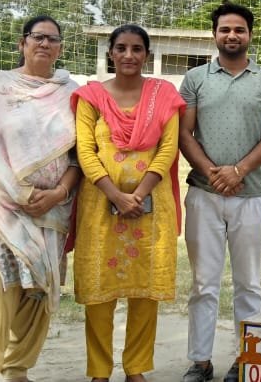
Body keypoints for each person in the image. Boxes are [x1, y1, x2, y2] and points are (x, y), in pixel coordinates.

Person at [0, 15, 82, 382]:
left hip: (52, 210)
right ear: (22, 43)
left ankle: (17, 370)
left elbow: (80, 157)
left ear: (60, 48)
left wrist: (58, 193)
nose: (44, 43)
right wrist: (21, 194)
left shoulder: (70, 92)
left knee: (39, 292)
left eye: (52, 39)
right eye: (37, 37)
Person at [69, 25, 185, 382]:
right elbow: (85, 151)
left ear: (147, 55)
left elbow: (168, 148)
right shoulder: (91, 97)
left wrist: (140, 193)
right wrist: (116, 195)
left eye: (137, 49)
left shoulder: (164, 95)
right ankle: (99, 370)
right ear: (111, 53)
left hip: (151, 207)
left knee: (145, 292)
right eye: (121, 48)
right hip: (100, 205)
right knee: (99, 292)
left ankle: (136, 368)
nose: (129, 55)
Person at [179, 3, 261, 382]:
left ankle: (247, 358)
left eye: (239, 29)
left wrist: (239, 171)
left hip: (251, 194)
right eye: (225, 29)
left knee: (248, 283)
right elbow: (183, 133)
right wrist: (213, 173)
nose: (232, 35)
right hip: (203, 195)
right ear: (214, 34)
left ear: (250, 35)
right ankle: (200, 361)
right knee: (203, 283)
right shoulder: (195, 78)